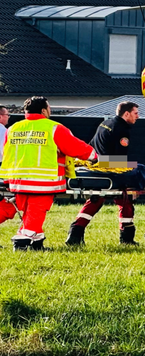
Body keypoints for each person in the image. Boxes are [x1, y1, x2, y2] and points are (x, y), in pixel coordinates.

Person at [0, 97, 97, 251]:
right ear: (44, 110)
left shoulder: (13, 129)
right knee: (36, 212)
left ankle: (37, 243)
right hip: (43, 180)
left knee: (28, 211)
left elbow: (7, 153)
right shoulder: (53, 128)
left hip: (17, 179)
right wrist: (93, 156)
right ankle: (22, 241)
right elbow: (75, 147)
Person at [65, 102, 141, 246]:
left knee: (95, 201)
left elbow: (92, 147)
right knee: (127, 195)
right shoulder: (122, 129)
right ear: (126, 114)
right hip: (108, 170)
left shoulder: (105, 123)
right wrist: (131, 171)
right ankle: (126, 238)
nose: (138, 116)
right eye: (135, 113)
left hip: (94, 169)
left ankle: (75, 233)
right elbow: (119, 160)